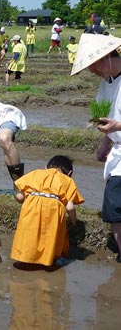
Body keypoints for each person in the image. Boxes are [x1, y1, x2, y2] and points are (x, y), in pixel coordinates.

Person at [71, 33, 121, 263]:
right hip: (118, 153)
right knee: (114, 209)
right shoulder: (107, 83)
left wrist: (118, 126)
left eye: (93, 66)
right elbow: (109, 118)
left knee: (114, 207)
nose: (93, 72)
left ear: (106, 57)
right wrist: (105, 143)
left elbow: (116, 122)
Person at [11, 155, 85, 267]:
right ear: (69, 173)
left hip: (31, 207)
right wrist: (73, 221)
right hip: (54, 208)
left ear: (46, 167)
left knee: (29, 232)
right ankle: (51, 259)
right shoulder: (67, 181)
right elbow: (70, 207)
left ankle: (24, 258)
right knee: (51, 234)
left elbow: (20, 197)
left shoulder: (35, 173)